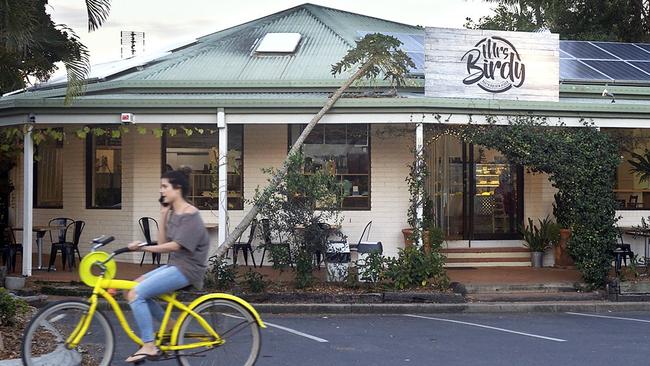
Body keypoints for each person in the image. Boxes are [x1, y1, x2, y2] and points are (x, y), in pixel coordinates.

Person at [124, 168, 210, 363]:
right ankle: (170, 325)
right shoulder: (175, 213)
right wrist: (163, 215)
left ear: (177, 188)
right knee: (130, 289)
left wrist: (143, 248)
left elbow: (174, 246)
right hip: (175, 265)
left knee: (137, 295)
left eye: (164, 186)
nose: (161, 191)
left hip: (187, 270)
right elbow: (163, 241)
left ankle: (149, 345)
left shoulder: (191, 215)